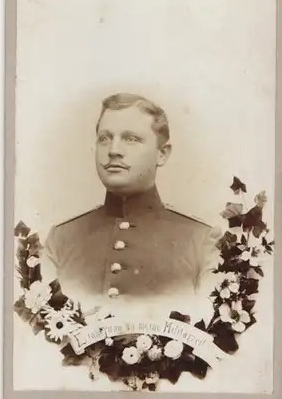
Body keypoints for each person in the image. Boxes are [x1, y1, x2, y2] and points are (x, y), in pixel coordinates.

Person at [43, 93, 221, 319]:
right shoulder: (61, 240)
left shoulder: (201, 242)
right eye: (104, 138)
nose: (113, 150)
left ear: (162, 154)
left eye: (131, 138)